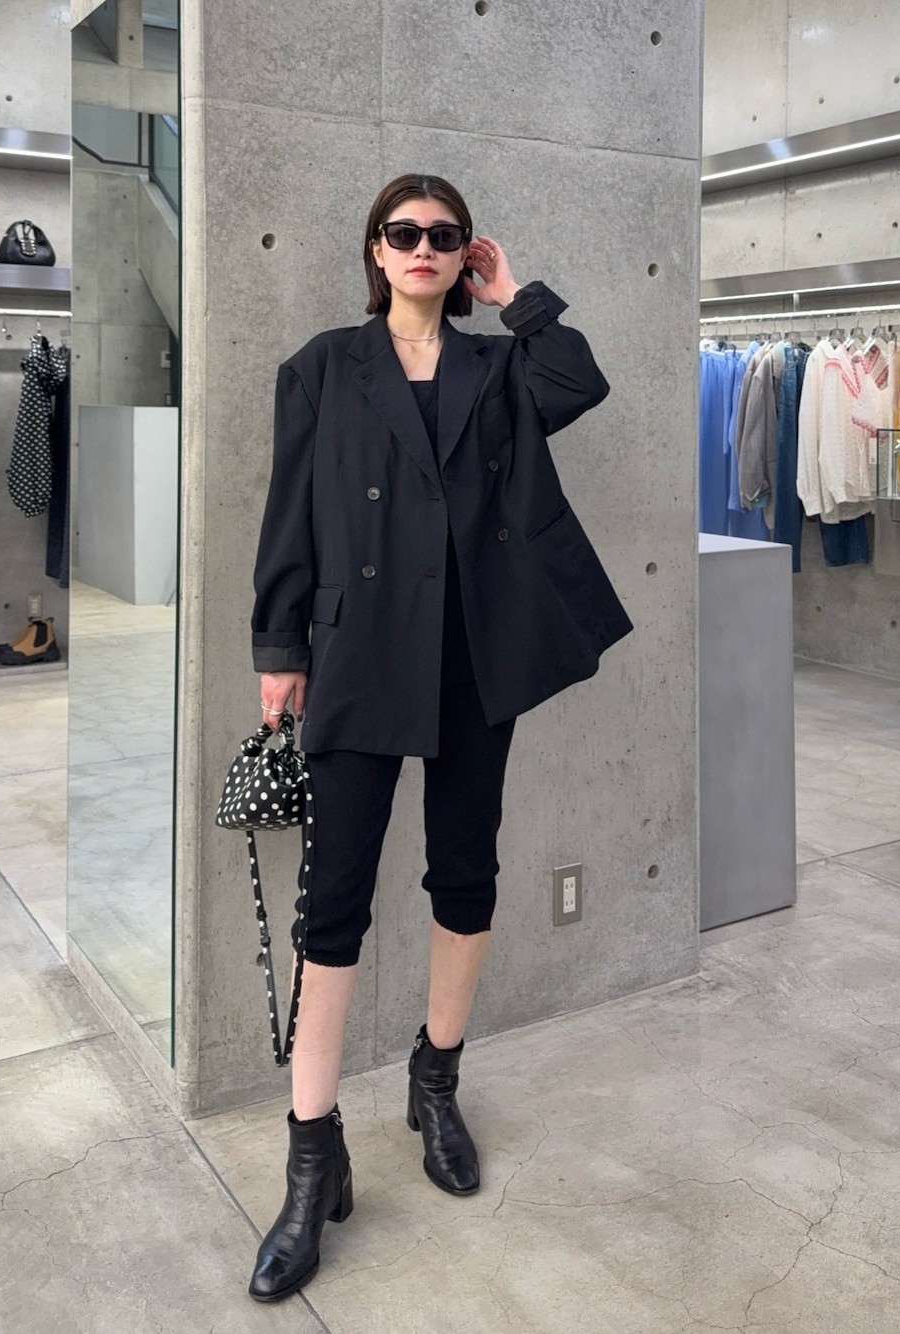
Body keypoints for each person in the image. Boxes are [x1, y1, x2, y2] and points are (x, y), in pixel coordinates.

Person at [248, 173, 632, 1301]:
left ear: (465, 253)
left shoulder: (501, 367)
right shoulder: (323, 366)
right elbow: (287, 513)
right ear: (375, 250)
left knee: (465, 872)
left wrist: (515, 297)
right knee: (333, 901)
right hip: (359, 649)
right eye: (404, 232)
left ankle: (435, 1079)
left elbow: (579, 380)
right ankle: (312, 1155)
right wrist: (280, 648)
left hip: (473, 655)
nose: (423, 246)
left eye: (444, 235)